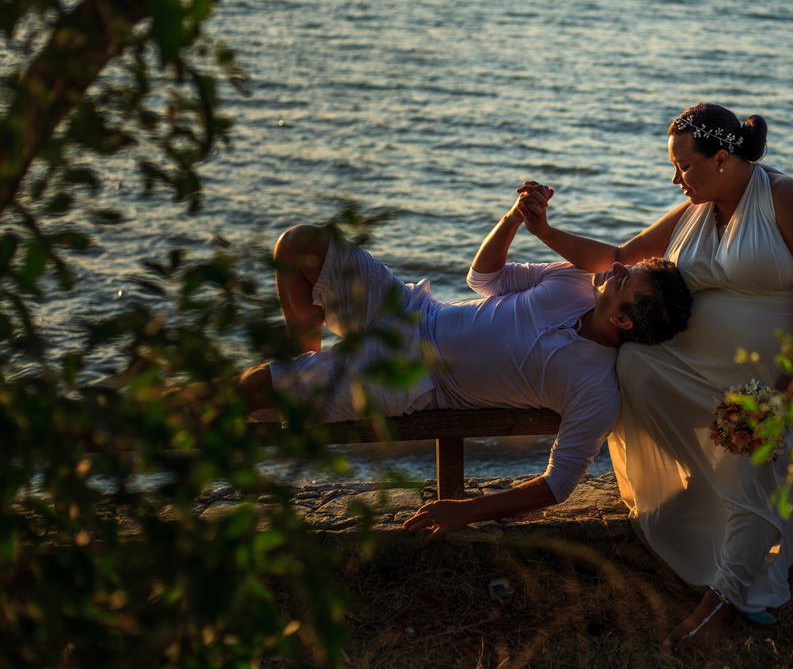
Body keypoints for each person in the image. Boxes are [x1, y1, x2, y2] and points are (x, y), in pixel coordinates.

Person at [516, 103, 793, 651]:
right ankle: (703, 493)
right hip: (711, 369)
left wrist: (784, 396)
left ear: (723, 159)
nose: (674, 178)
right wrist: (544, 230)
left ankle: (718, 602)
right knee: (634, 363)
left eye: (684, 166)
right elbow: (617, 257)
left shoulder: (784, 197)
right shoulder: (695, 212)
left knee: (757, 454)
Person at [238, 185, 693, 538]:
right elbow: (483, 277)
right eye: (626, 267)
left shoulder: (595, 387)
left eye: (626, 279)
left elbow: (558, 484)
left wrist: (468, 510)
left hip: (415, 377)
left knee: (256, 386)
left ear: (624, 321)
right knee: (299, 244)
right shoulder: (573, 281)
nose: (615, 267)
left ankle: (274, 386)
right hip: (411, 310)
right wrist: (513, 220)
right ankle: (307, 355)